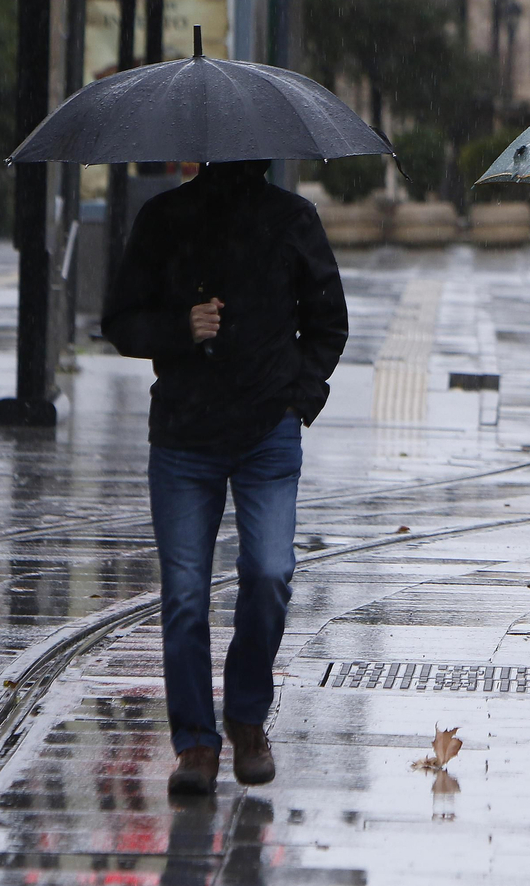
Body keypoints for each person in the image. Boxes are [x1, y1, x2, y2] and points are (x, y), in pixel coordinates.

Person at [102, 160, 349, 796]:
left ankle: (245, 717)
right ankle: (195, 744)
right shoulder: (165, 218)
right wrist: (180, 328)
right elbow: (121, 319)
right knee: (184, 595)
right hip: (185, 437)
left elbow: (329, 321)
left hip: (267, 433)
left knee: (270, 573)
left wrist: (298, 395)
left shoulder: (292, 220)